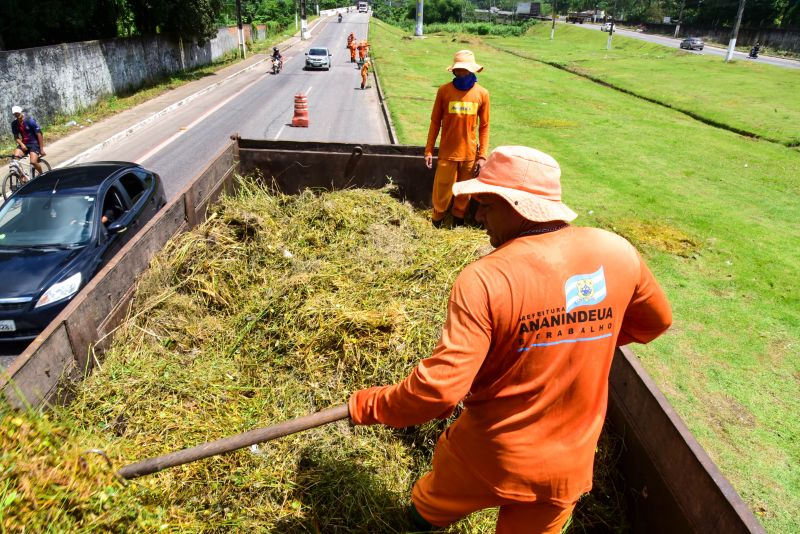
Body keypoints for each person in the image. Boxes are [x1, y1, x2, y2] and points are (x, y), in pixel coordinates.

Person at [349, 145, 673, 533]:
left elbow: (438, 392)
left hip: (487, 458)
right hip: (565, 471)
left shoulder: (486, 279)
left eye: (485, 202)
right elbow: (655, 322)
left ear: (518, 205)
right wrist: (579, 336)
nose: (478, 214)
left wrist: (370, 405)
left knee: (427, 508)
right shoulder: (617, 252)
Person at [424, 50, 490, 228]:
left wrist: (482, 156)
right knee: (442, 189)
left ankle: (458, 222)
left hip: (469, 154)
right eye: (458, 70)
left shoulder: (482, 94)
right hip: (447, 152)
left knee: (464, 192)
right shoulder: (444, 91)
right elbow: (435, 122)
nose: (461, 74)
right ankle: (436, 221)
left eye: (465, 71)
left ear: (472, 71)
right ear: (453, 71)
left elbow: (484, 127)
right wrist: (429, 149)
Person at [10, 106, 46, 175]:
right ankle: (23, 177)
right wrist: (22, 145)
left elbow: (39, 134)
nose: (16, 115)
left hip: (34, 143)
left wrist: (41, 149)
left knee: (33, 162)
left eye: (17, 113)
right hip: (24, 144)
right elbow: (16, 137)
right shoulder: (14, 124)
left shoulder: (30, 121)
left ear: (21, 112)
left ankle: (42, 175)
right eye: (15, 114)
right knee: (15, 159)